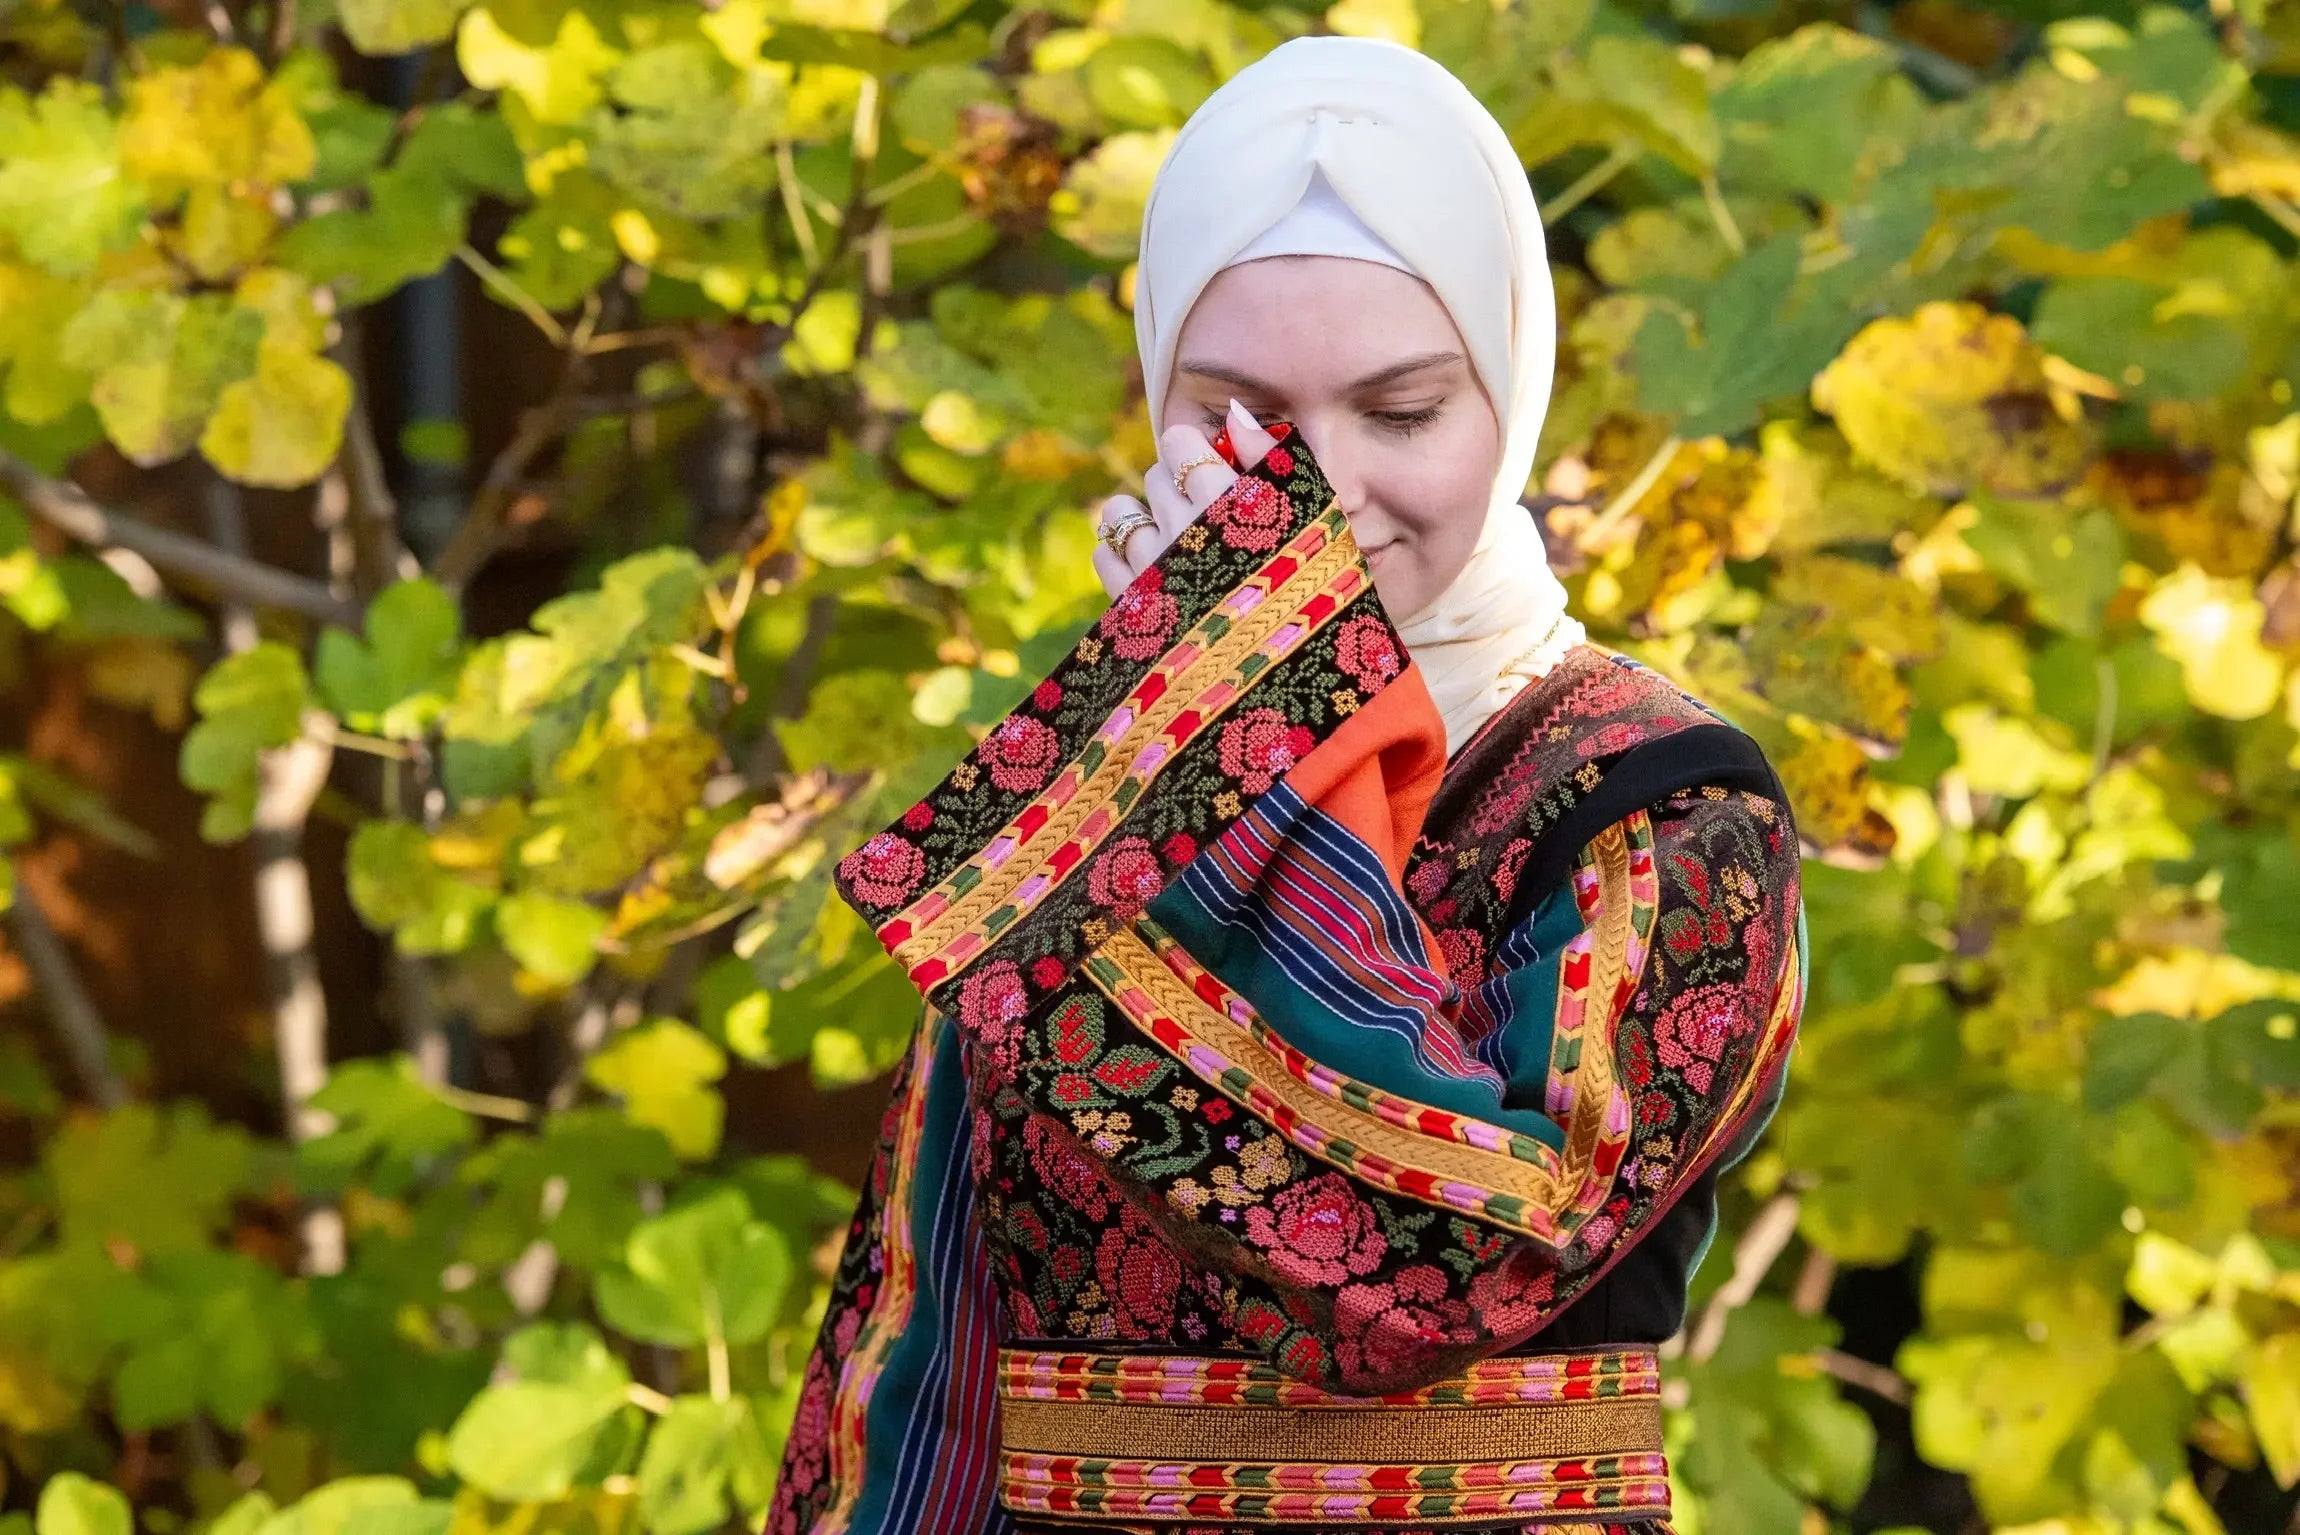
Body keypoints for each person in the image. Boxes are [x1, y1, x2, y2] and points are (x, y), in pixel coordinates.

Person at [767, 34, 1805, 1535]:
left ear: (1507, 402)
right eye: (1240, 421)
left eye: (1399, 413)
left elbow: (1444, 1273)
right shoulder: (1104, 770)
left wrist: (1263, 758)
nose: (1316, 494)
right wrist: (1169, 745)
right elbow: (928, 1335)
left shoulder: (1669, 810)